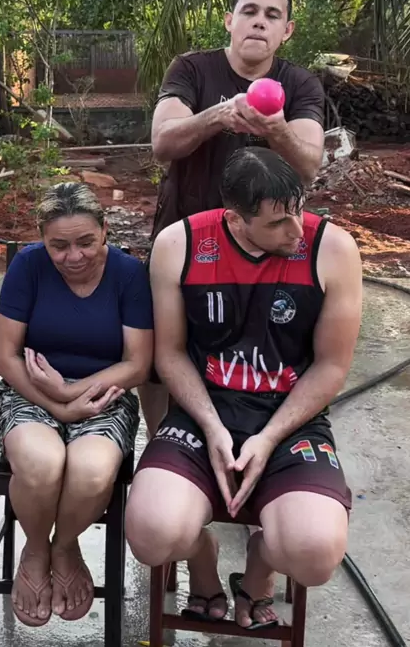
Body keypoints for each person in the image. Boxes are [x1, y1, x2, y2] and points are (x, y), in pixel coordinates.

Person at [126, 147, 362, 629]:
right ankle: (203, 560)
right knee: (150, 534)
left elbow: (331, 367)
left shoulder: (333, 249)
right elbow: (169, 354)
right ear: (234, 219)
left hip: (290, 420)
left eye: (298, 212)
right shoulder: (180, 244)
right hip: (202, 412)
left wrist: (269, 437)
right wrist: (212, 427)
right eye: (277, 223)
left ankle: (258, 569)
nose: (296, 231)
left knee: (316, 554)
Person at [140, 0, 326, 436]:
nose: (259, 22)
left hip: (264, 246)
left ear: (287, 30)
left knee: (253, 347)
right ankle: (162, 440)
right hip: (184, 238)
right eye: (249, 11)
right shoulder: (191, 69)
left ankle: (253, 437)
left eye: (272, 15)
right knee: (162, 351)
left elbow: (308, 165)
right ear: (229, 20)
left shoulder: (299, 84)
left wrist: (276, 128)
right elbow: (162, 143)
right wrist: (218, 115)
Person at [0, 181, 153, 627]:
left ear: (105, 231)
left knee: (92, 470)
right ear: (42, 240)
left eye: (85, 242)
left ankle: (63, 546)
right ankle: (36, 548)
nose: (74, 256)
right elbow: (5, 357)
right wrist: (57, 404)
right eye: (59, 246)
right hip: (29, 390)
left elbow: (138, 364)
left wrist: (70, 393)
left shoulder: (128, 274)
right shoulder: (28, 267)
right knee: (41, 464)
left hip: (106, 395)